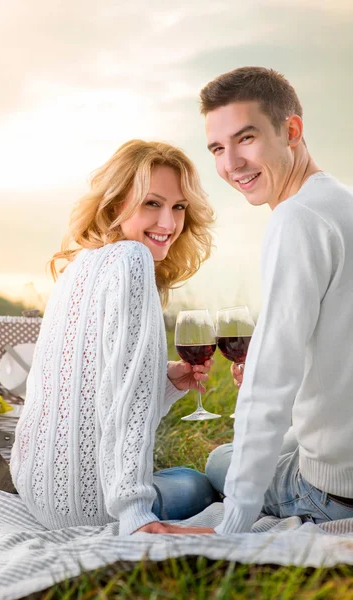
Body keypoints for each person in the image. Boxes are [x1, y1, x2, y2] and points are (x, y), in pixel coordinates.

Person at [0, 140, 219, 535]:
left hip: (35, 486)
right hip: (90, 507)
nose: (168, 223)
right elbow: (126, 401)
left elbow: (92, 391)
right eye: (152, 203)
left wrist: (165, 382)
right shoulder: (133, 260)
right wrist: (135, 514)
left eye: (179, 207)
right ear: (115, 206)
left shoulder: (79, 265)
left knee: (180, 474)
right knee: (202, 481)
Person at [198, 66, 353, 534]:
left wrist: (235, 520)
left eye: (245, 139)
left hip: (334, 493)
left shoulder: (296, 218)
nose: (231, 164)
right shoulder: (342, 202)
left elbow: (271, 381)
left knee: (220, 462)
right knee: (254, 448)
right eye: (217, 149)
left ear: (291, 130)